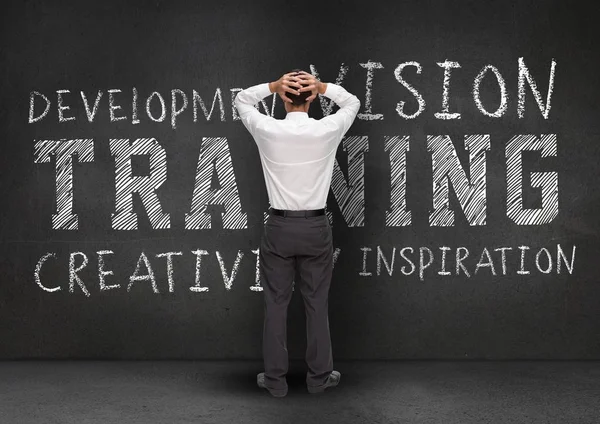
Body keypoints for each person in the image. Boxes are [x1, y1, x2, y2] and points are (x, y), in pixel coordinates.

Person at [235, 70, 360, 397]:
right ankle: (319, 379)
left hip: (278, 225)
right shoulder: (327, 129)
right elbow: (352, 103)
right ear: (314, 97)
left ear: (282, 97)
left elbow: (241, 100)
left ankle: (275, 382)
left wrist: (272, 86)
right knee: (317, 304)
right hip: (316, 226)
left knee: (275, 304)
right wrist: (323, 87)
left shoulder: (267, 128)